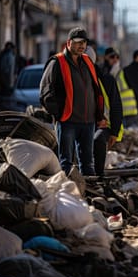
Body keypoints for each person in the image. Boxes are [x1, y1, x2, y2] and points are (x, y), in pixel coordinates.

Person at [39, 27, 104, 176]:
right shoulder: (57, 62)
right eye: (78, 42)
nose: (81, 45)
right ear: (68, 43)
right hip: (68, 121)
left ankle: (88, 195)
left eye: (84, 42)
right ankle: (68, 195)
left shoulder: (88, 62)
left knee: (88, 163)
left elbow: (95, 88)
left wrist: (99, 114)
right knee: (66, 163)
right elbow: (45, 92)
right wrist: (59, 113)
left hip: (88, 122)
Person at [86, 46, 123, 176]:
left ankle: (98, 176)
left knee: (98, 141)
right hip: (80, 123)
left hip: (102, 124)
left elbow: (116, 106)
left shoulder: (106, 79)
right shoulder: (73, 79)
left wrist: (114, 132)